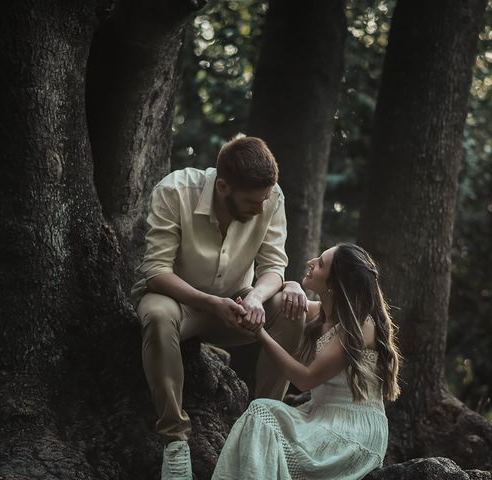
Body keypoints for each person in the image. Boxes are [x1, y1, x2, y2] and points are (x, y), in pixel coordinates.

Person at [130, 136, 307, 480]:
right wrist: (210, 302)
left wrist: (255, 297)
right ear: (223, 187)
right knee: (157, 316)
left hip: (240, 302)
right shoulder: (175, 190)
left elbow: (274, 267)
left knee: (289, 305)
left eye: (266, 199)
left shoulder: (270, 198)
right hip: (178, 303)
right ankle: (175, 443)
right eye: (253, 202)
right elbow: (156, 272)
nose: (261, 209)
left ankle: (264, 428)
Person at [212, 243, 402, 480]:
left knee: (261, 411)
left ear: (334, 283)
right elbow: (289, 301)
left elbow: (305, 380)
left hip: (351, 431)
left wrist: (260, 333)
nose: (311, 262)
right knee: (257, 417)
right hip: (318, 417)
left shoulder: (361, 326)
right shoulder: (322, 314)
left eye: (321, 264)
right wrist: (291, 285)